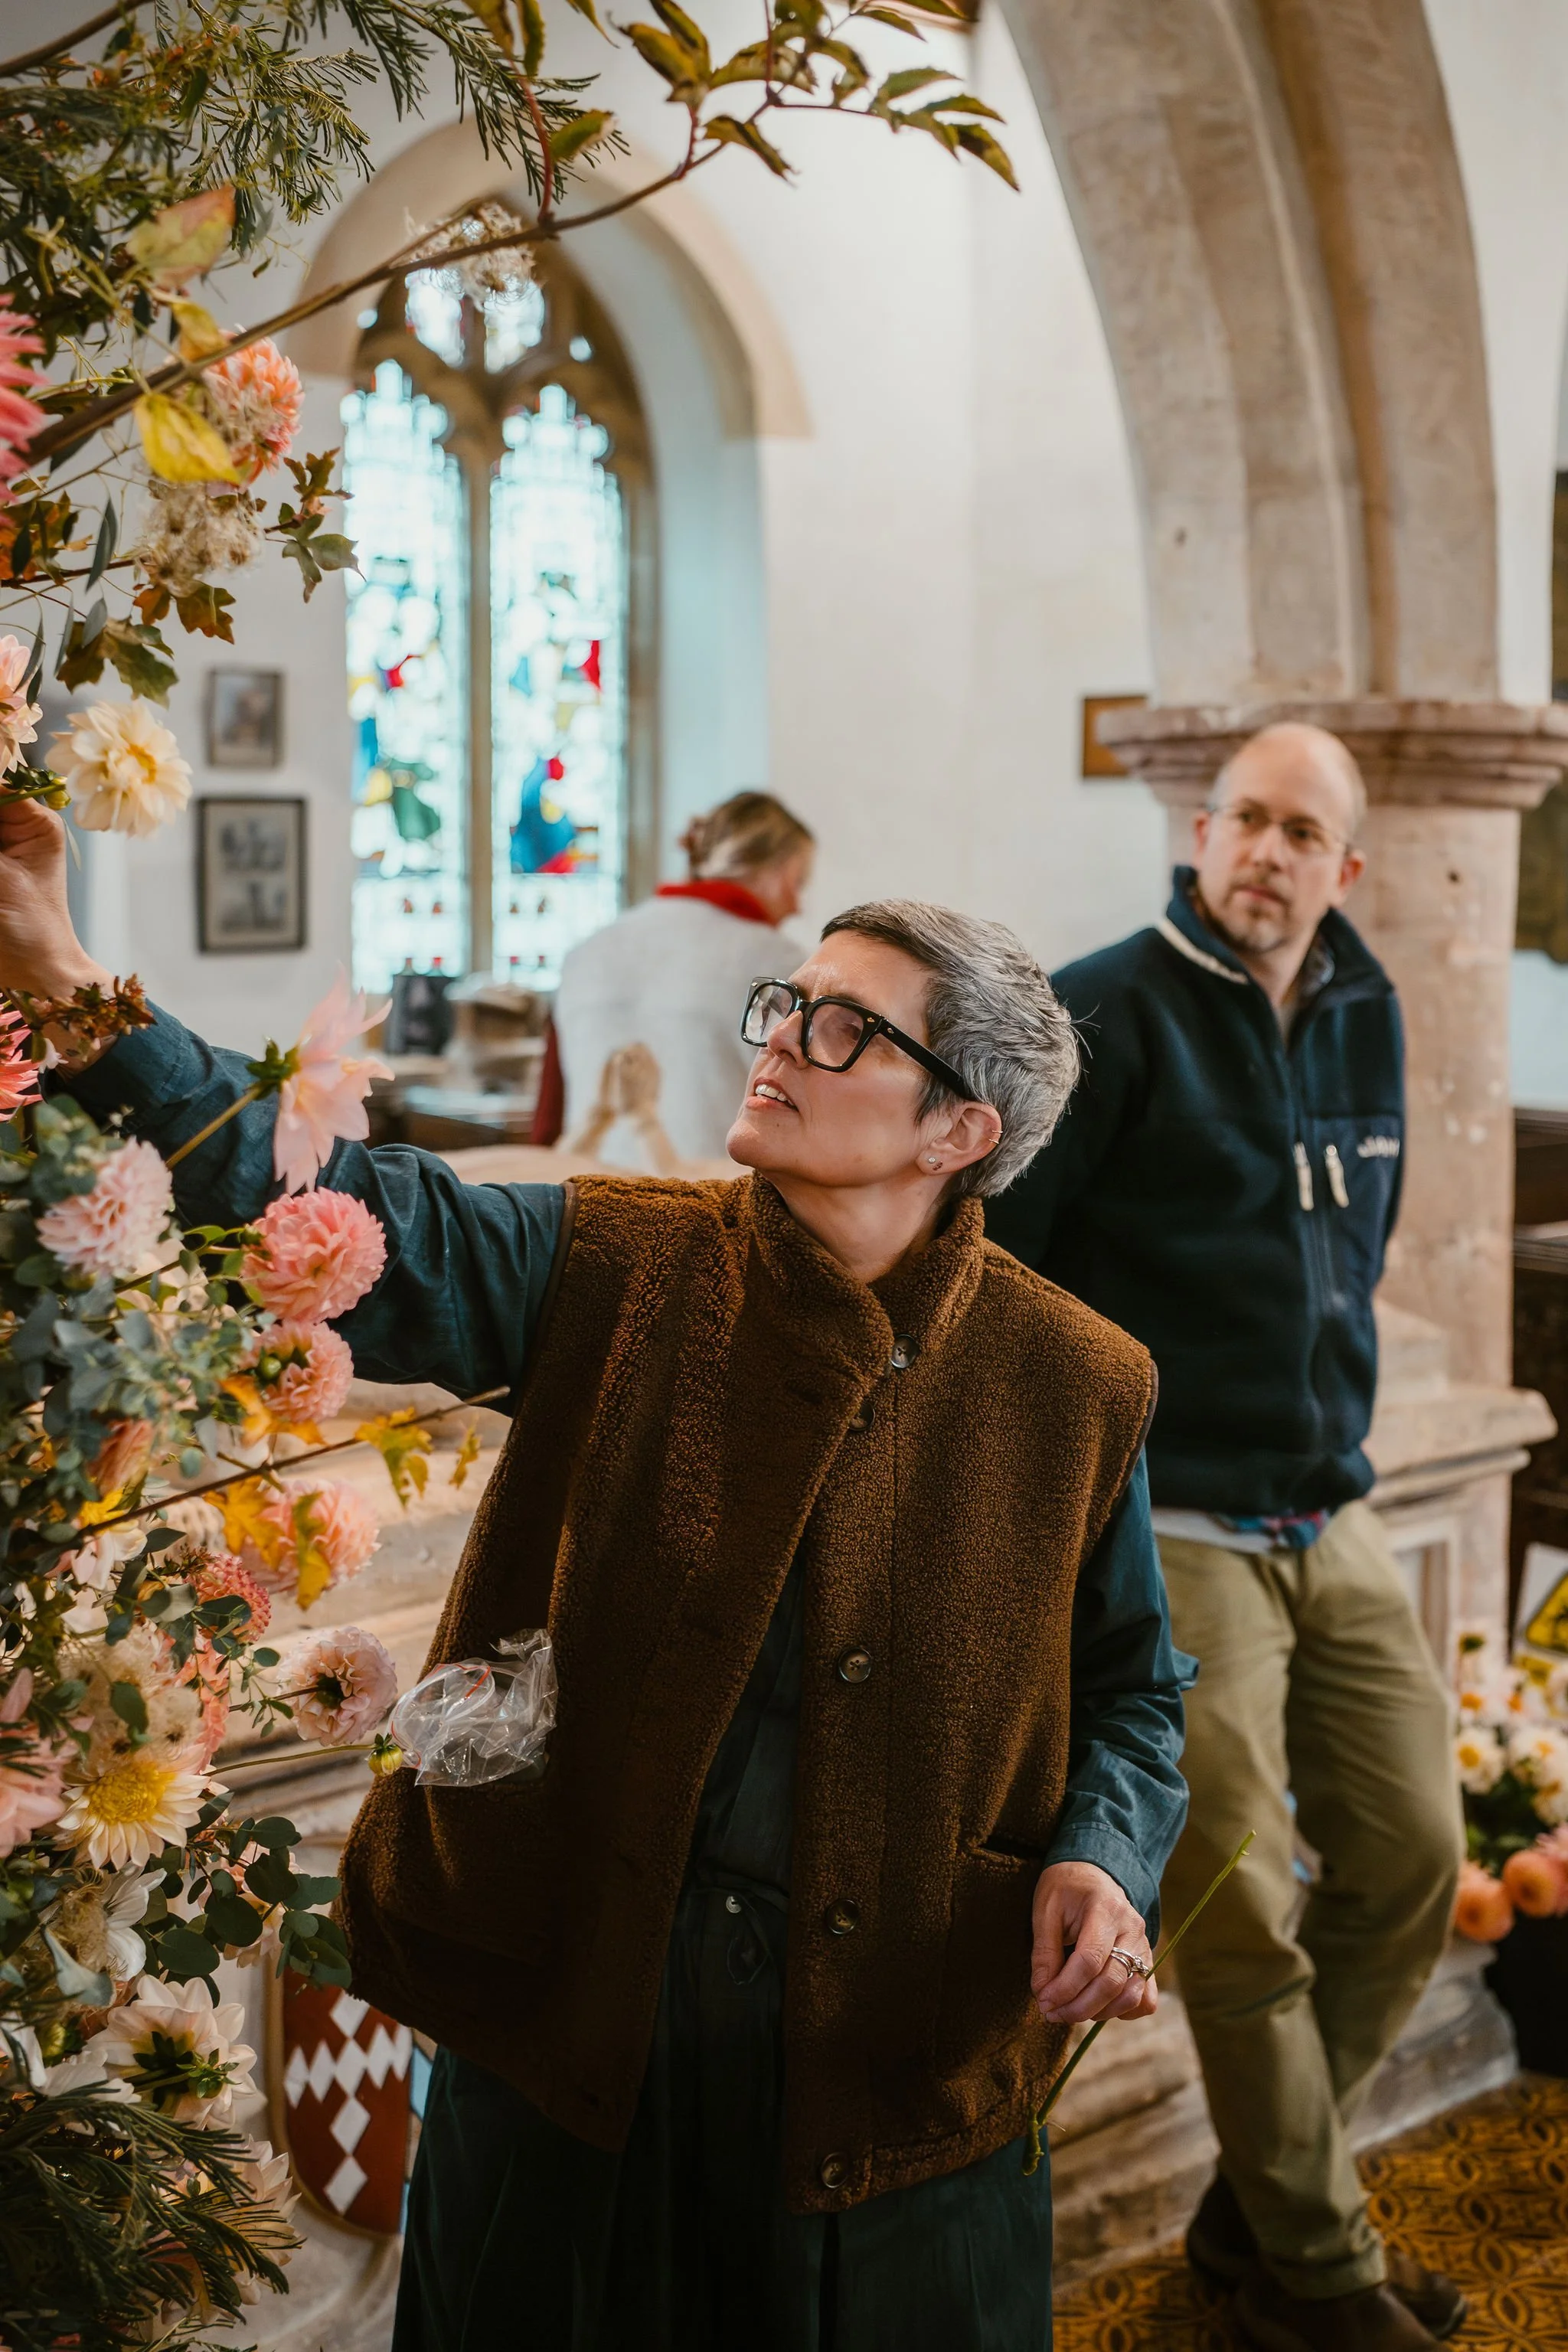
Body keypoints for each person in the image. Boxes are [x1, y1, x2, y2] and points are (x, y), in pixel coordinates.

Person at [0, 803, 1191, 2352]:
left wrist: (1100, 1859)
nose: (779, 1042)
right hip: (574, 2018)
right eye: (789, 1004)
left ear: (960, 1129)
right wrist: (68, 977)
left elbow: (1135, 1696)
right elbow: (341, 1212)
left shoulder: (1075, 1380)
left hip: (888, 2058)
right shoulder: (622, 1264)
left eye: (843, 1030)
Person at [986, 723, 1465, 2352]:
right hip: (1167, 1523)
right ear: (1200, 831)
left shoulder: (1366, 1007)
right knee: (1239, 1916)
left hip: (1327, 1508)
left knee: (1411, 1859)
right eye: (1243, 818)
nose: (1265, 850)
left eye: (1300, 830)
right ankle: (1317, 2279)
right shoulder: (1098, 1010)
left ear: (1347, 867)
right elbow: (1007, 1275)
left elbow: (1358, 1242)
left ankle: (1256, 2212)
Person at [535, 789, 815, 1161]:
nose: (797, 906)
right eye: (796, 883)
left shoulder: (586, 950)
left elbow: (547, 1118)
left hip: (584, 1197)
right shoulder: (777, 960)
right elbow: (809, 1109)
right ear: (770, 871)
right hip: (705, 1202)